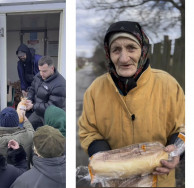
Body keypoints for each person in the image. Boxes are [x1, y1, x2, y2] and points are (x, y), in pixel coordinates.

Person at [78, 21, 185, 187]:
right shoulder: (95, 90)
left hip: (159, 181)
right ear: (108, 53)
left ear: (143, 50)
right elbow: (88, 131)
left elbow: (183, 126)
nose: (124, 58)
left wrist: (176, 153)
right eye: (116, 50)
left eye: (131, 48)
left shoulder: (168, 85)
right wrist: (105, 159)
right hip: (114, 182)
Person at [26, 56, 66, 130]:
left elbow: (51, 107)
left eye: (44, 71)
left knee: (44, 137)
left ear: (52, 68)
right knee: (27, 129)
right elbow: (32, 89)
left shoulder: (60, 85)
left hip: (51, 117)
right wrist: (29, 99)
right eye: (40, 70)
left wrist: (33, 106)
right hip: (38, 112)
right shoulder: (39, 75)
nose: (41, 73)